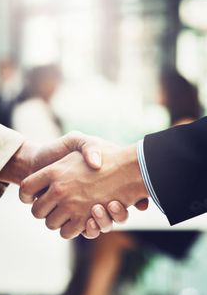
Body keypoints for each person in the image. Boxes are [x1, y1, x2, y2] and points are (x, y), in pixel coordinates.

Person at [19, 73, 207, 240]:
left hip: (182, 222)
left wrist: (125, 172)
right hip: (173, 211)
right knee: (108, 239)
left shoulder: (178, 122)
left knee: (110, 240)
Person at [76, 71, 202, 295]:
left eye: (161, 88)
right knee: (108, 236)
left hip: (178, 222)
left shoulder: (185, 126)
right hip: (166, 215)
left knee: (108, 238)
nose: (157, 93)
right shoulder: (180, 125)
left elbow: (163, 176)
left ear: (171, 93)